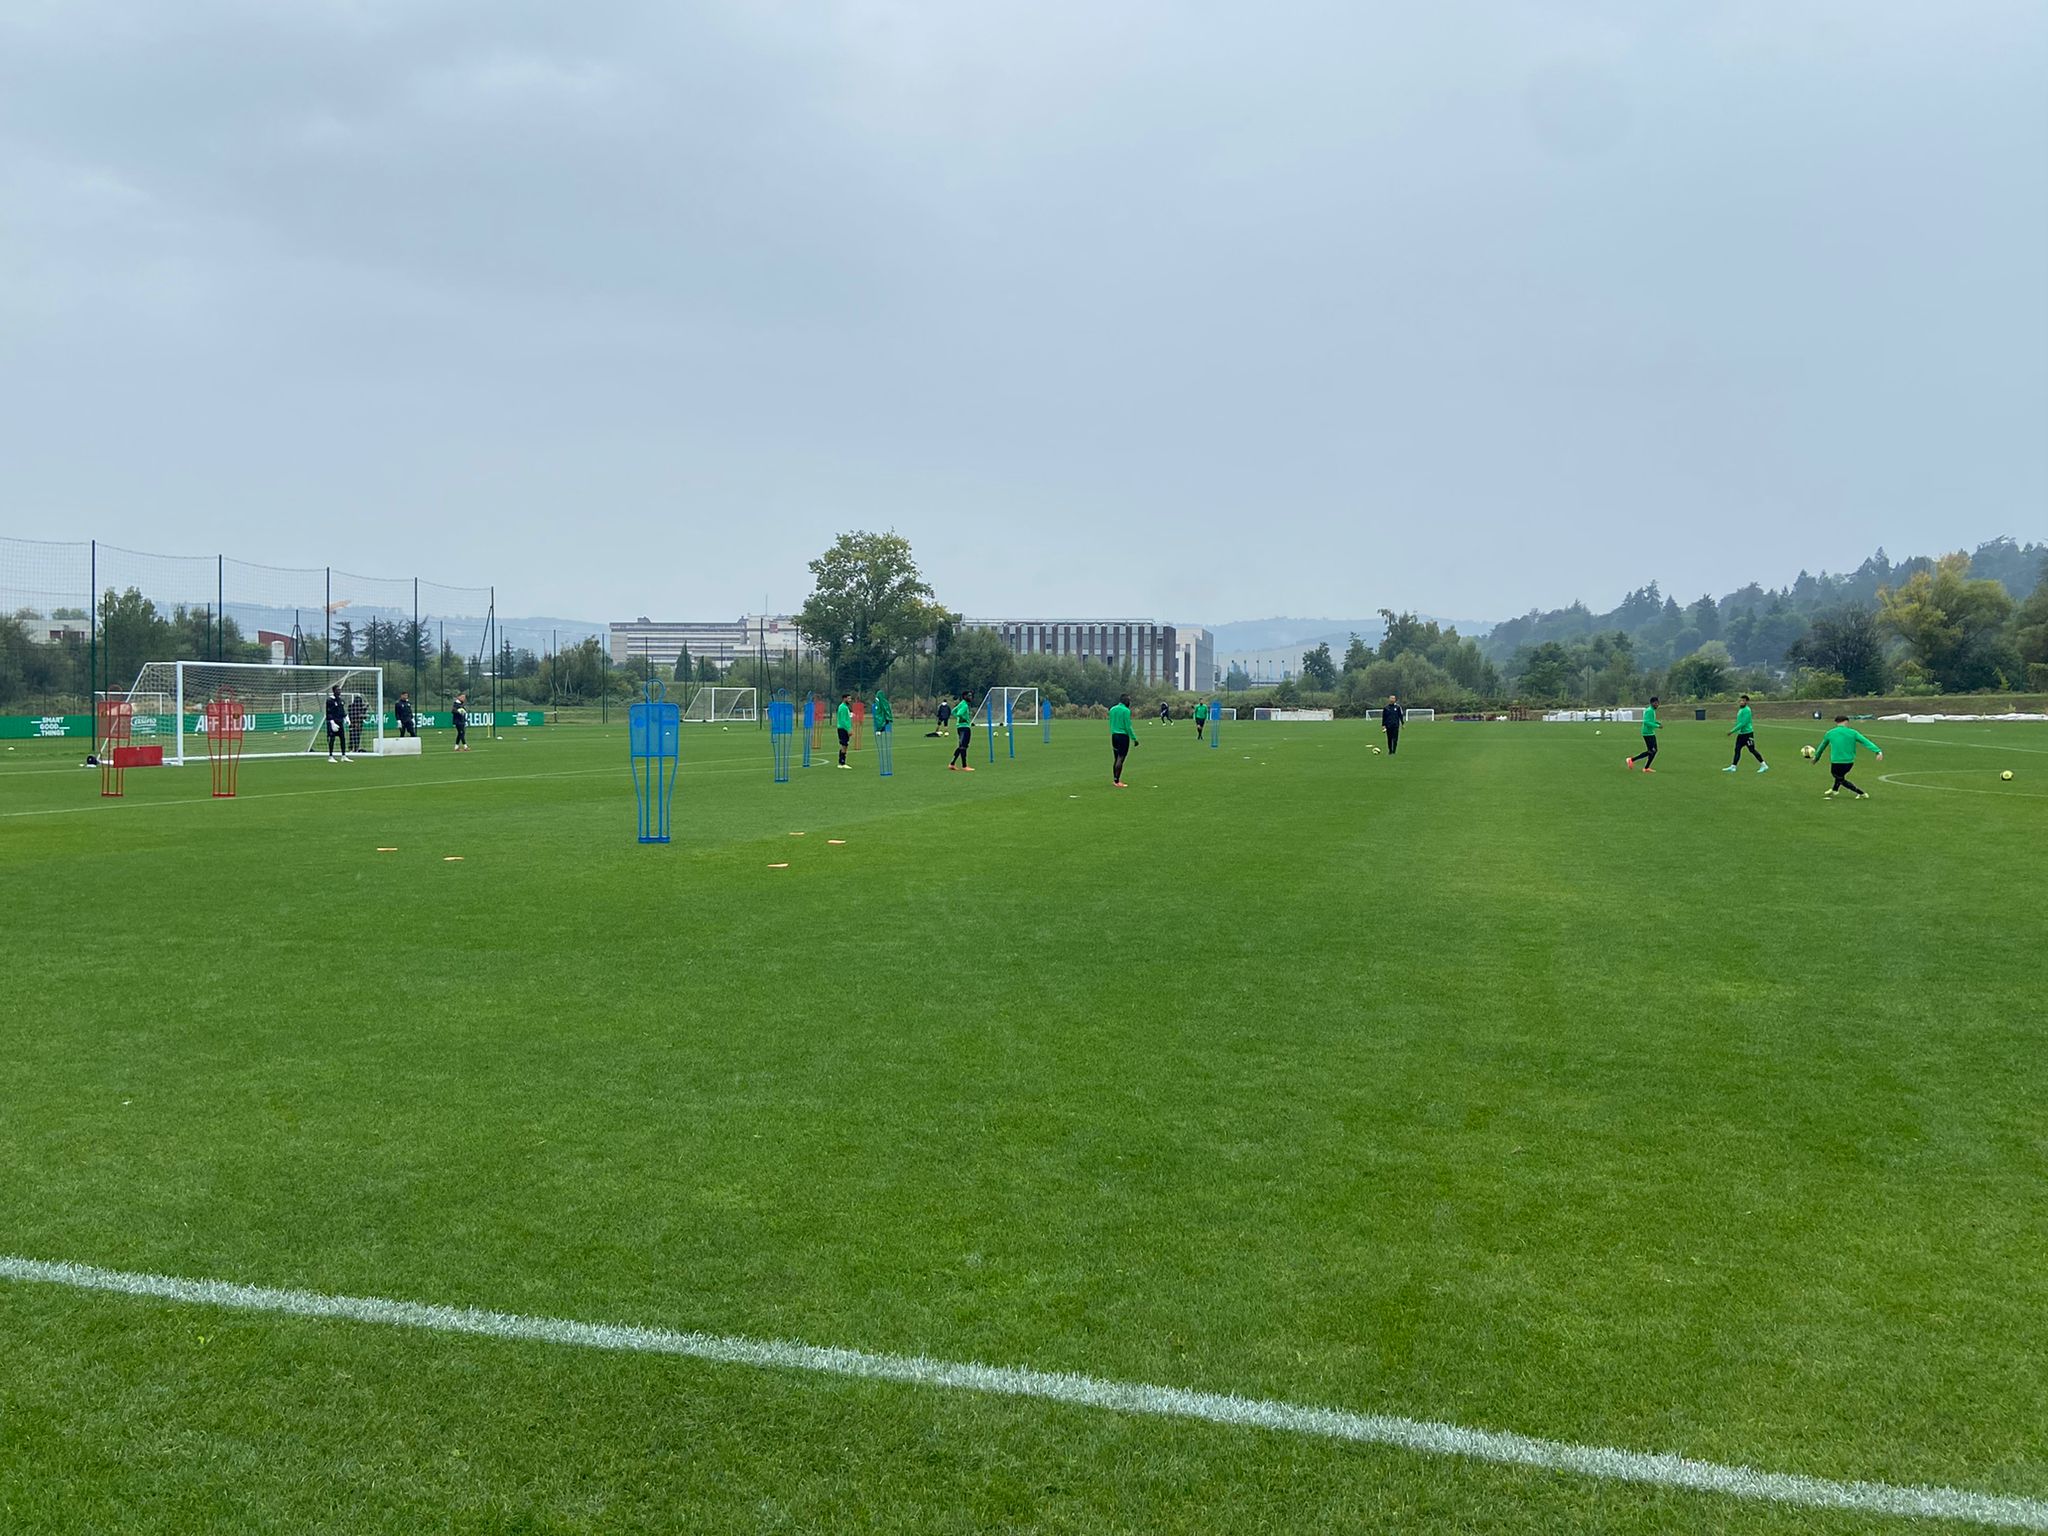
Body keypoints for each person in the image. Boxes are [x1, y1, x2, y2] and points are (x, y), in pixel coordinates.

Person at [1814, 715, 1882, 799]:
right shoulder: (1853, 732)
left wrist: (1816, 757)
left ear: (1836, 722)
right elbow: (1866, 742)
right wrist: (1878, 751)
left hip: (1836, 761)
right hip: (1849, 762)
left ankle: (1861, 793)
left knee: (1839, 778)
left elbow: (1822, 746)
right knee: (1840, 776)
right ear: (1846, 721)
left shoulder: (1830, 733)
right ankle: (1835, 790)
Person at [1724, 694, 1768, 774]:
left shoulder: (1747, 710)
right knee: (1737, 749)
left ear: (1747, 702)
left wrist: (1732, 731)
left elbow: (1743, 723)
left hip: (1748, 734)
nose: (1741, 702)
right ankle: (1733, 767)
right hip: (1741, 734)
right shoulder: (1741, 709)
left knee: (1752, 750)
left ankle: (1764, 765)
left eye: (1743, 701)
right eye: (1740, 700)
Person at [1109, 693, 1139, 787]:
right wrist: (1134, 738)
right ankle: (1117, 781)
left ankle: (1115, 779)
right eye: (1129, 700)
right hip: (1123, 736)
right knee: (1121, 758)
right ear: (1126, 701)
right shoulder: (1126, 711)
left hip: (1114, 735)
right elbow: (1128, 726)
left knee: (1116, 757)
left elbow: (1111, 722)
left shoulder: (1112, 709)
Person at [1626, 696, 1661, 773]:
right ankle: (1631, 760)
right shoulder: (1649, 711)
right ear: (1652, 703)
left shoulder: (1652, 710)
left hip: (1651, 733)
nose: (1657, 705)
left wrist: (1657, 722)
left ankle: (1646, 768)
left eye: (1658, 703)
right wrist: (1657, 726)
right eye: (1656, 703)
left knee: (1654, 751)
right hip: (1647, 733)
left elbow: (1651, 720)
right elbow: (1646, 722)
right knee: (1651, 751)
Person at [324, 684, 350, 763]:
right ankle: (330, 756)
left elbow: (342, 711)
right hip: (333, 723)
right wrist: (332, 722)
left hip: (340, 722)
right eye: (337, 690)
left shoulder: (341, 700)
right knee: (332, 739)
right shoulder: (330, 700)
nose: (339, 691)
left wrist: (346, 718)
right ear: (334, 691)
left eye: (340, 690)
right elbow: (328, 712)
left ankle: (343, 756)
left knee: (343, 738)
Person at [949, 693, 975, 771]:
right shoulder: (964, 705)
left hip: (959, 727)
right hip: (964, 727)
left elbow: (953, 711)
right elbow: (959, 713)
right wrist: (963, 718)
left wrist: (958, 718)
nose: (971, 697)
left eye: (971, 696)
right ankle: (964, 766)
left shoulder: (961, 704)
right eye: (969, 696)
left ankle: (952, 764)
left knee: (961, 746)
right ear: (964, 696)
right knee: (963, 747)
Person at [835, 693, 854, 768]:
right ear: (844, 699)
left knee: (844, 745)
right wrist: (848, 729)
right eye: (848, 698)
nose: (850, 700)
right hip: (843, 728)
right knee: (844, 745)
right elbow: (843, 720)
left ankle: (841, 762)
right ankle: (842, 763)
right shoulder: (842, 707)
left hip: (843, 728)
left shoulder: (845, 707)